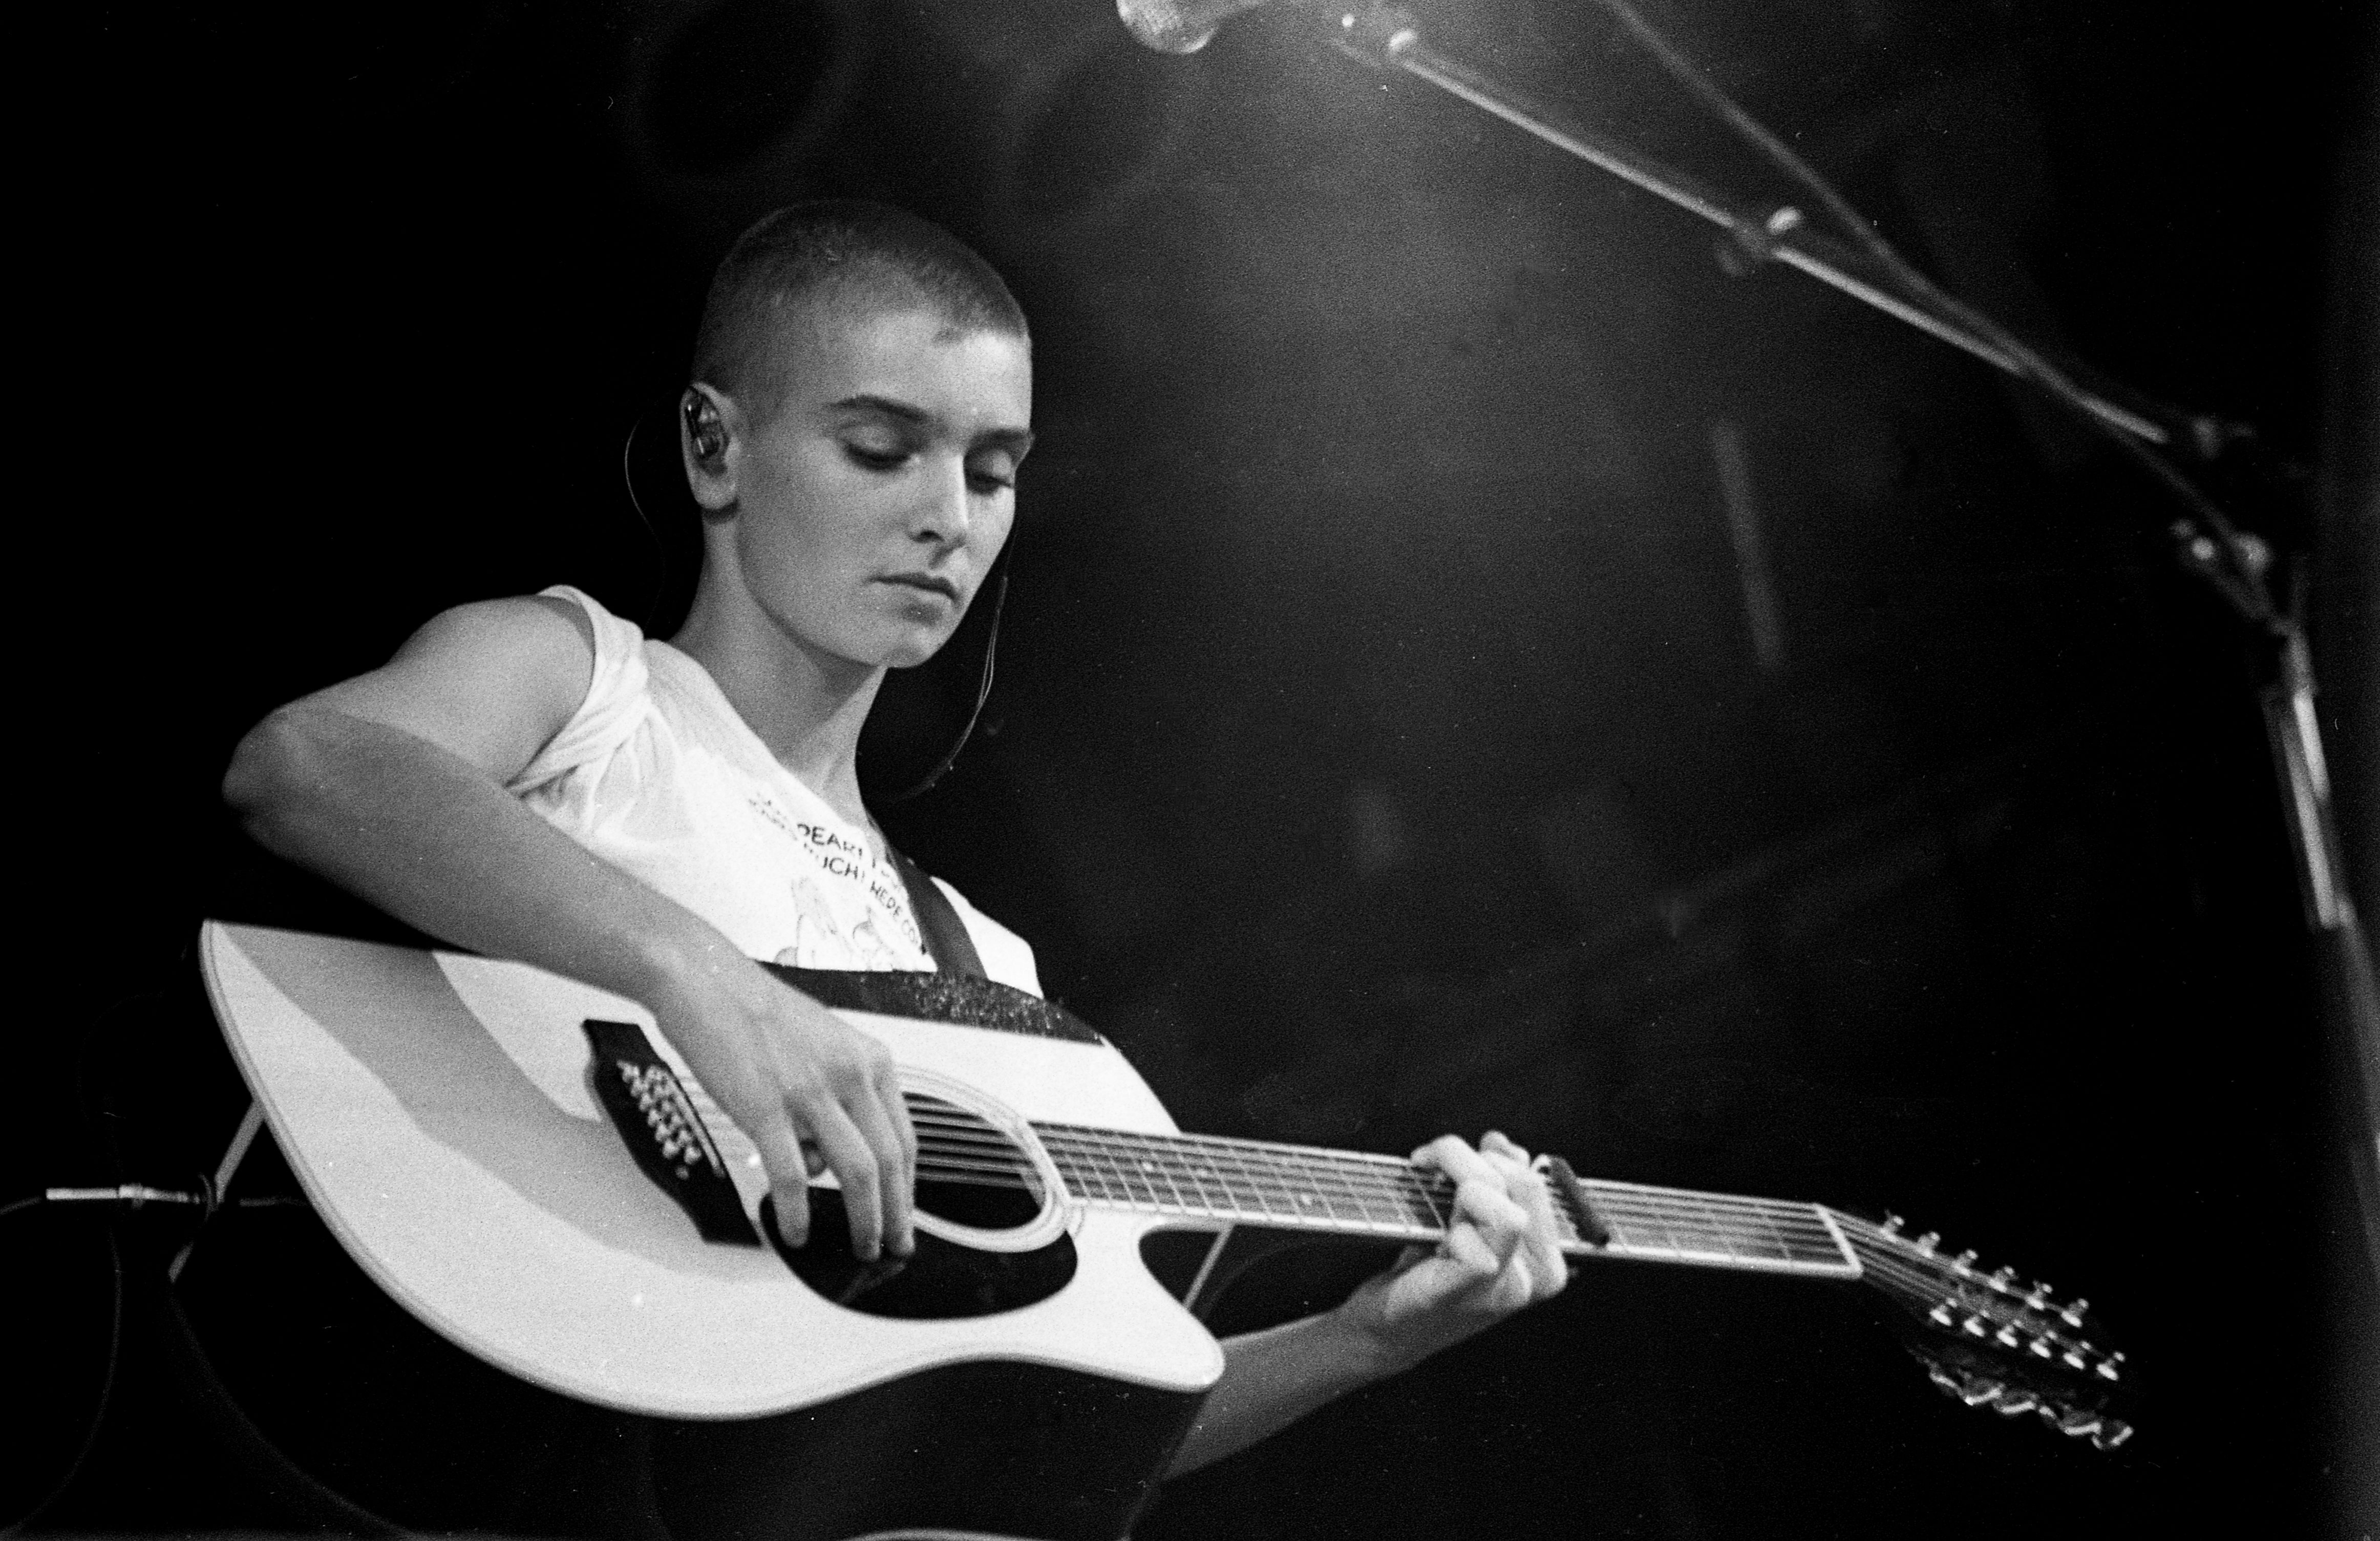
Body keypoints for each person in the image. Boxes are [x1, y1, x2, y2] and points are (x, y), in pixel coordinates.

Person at [222, 199, 1568, 1510]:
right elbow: (308, 765)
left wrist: (1362, 1340)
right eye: (882, 448)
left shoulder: (984, 964)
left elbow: (1013, 1422)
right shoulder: (587, 686)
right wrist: (714, 986)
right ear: (713, 447)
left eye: (993, 472)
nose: (950, 515)